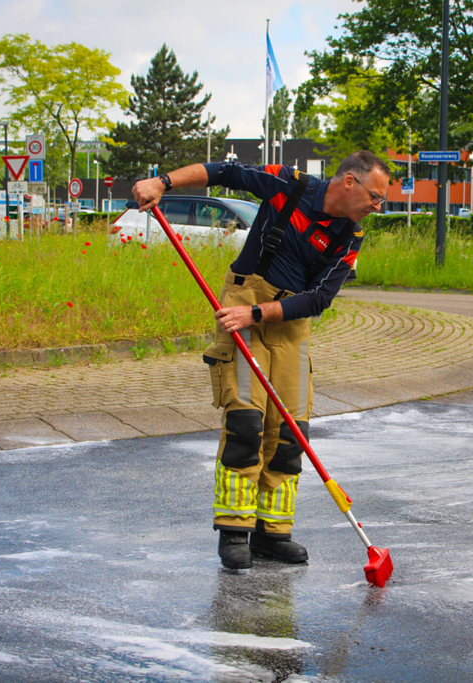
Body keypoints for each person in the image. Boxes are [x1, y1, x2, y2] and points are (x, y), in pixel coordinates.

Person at [132, 151, 389, 569]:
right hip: (245, 305)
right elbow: (226, 172)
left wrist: (259, 315)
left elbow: (320, 298)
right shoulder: (292, 184)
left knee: (290, 433)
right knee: (246, 422)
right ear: (348, 183)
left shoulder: (350, 237)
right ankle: (235, 531)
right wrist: (163, 182)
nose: (376, 207)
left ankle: (273, 533)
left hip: (288, 325)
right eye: (375, 197)